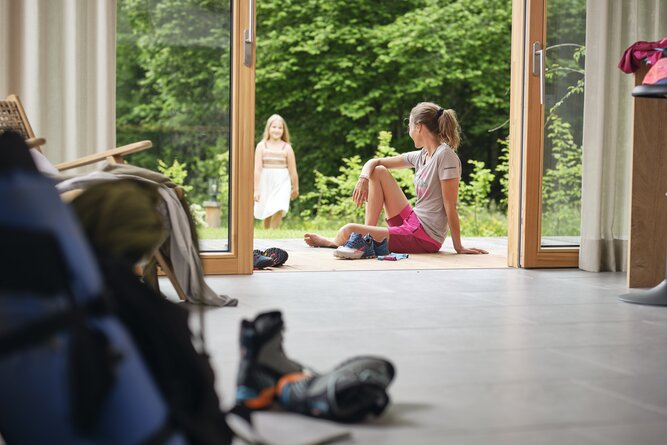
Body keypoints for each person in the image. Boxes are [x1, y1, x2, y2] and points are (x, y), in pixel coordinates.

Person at [304, 102, 488, 258]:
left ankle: (353, 240)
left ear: (419, 127)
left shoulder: (445, 156)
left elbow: (450, 205)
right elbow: (375, 162)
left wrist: (458, 247)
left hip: (424, 236)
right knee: (379, 171)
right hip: (413, 221)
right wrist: (363, 178)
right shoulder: (423, 155)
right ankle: (366, 239)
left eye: (409, 126)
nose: (409, 132)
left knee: (348, 230)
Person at [253, 114, 299, 229]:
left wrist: (295, 188)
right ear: (268, 128)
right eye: (274, 127)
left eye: (280, 128)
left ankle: (273, 232)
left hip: (282, 181)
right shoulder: (261, 146)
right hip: (266, 180)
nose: (277, 130)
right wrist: (256, 189)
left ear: (283, 130)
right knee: (267, 208)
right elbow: (257, 169)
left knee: (279, 206)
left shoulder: (287, 148)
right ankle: (266, 232)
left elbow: (293, 171)